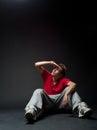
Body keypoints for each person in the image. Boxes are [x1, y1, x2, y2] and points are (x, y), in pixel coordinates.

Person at [24, 61, 92, 122]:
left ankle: (82, 109)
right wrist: (50, 62)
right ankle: (31, 112)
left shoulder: (63, 80)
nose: (54, 69)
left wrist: (66, 95)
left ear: (61, 75)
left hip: (60, 104)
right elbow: (36, 64)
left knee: (70, 89)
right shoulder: (47, 75)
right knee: (38, 91)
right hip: (48, 103)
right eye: (55, 68)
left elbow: (73, 84)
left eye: (57, 69)